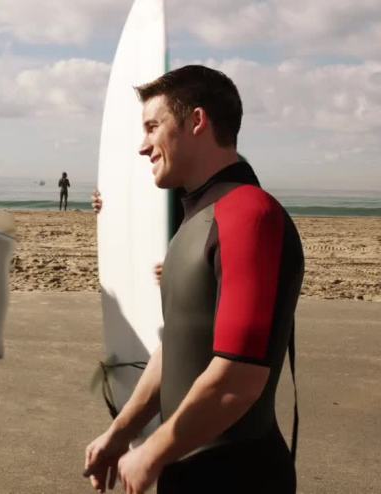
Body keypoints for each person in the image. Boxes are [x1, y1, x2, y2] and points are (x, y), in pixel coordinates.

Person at [84, 65, 304, 493]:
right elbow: (179, 344)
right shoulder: (199, 218)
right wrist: (121, 432)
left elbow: (238, 379)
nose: (142, 146)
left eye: (153, 127)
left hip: (238, 476)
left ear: (197, 121)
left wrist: (153, 451)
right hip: (188, 467)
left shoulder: (248, 215)